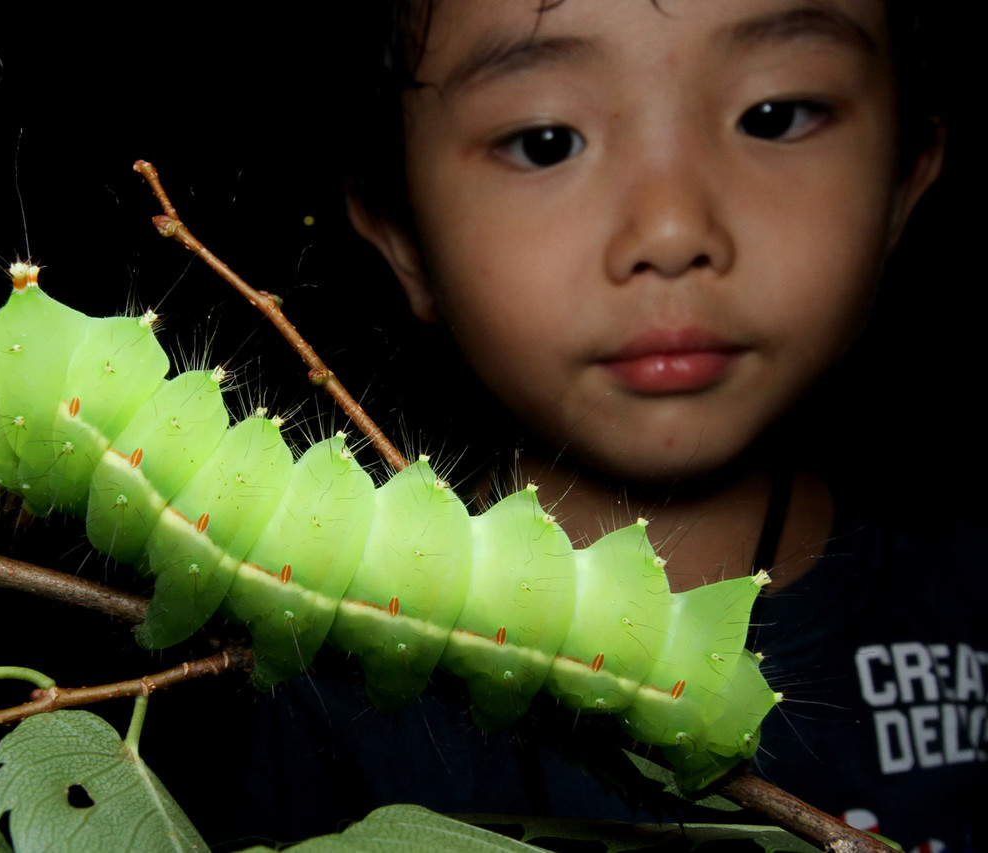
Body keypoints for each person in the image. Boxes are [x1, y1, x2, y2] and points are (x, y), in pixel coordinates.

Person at [205, 2, 984, 851]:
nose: (673, 229)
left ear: (906, 185)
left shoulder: (970, 591)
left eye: (774, 115)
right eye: (546, 140)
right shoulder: (324, 664)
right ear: (403, 239)